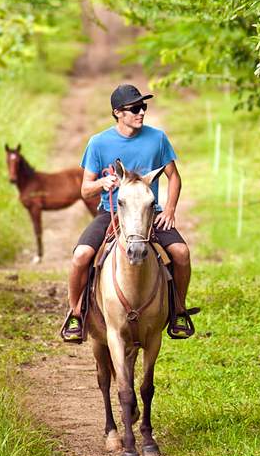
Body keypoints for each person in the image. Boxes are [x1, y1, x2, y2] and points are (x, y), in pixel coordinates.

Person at [60, 83, 196, 342]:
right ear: (117, 112)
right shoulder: (98, 143)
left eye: (143, 107)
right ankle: (76, 312)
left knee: (181, 253)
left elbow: (174, 177)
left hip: (149, 214)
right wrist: (103, 183)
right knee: (81, 256)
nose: (141, 112)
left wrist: (168, 209)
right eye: (135, 108)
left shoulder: (157, 138)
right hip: (111, 213)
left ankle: (178, 309)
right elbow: (85, 189)